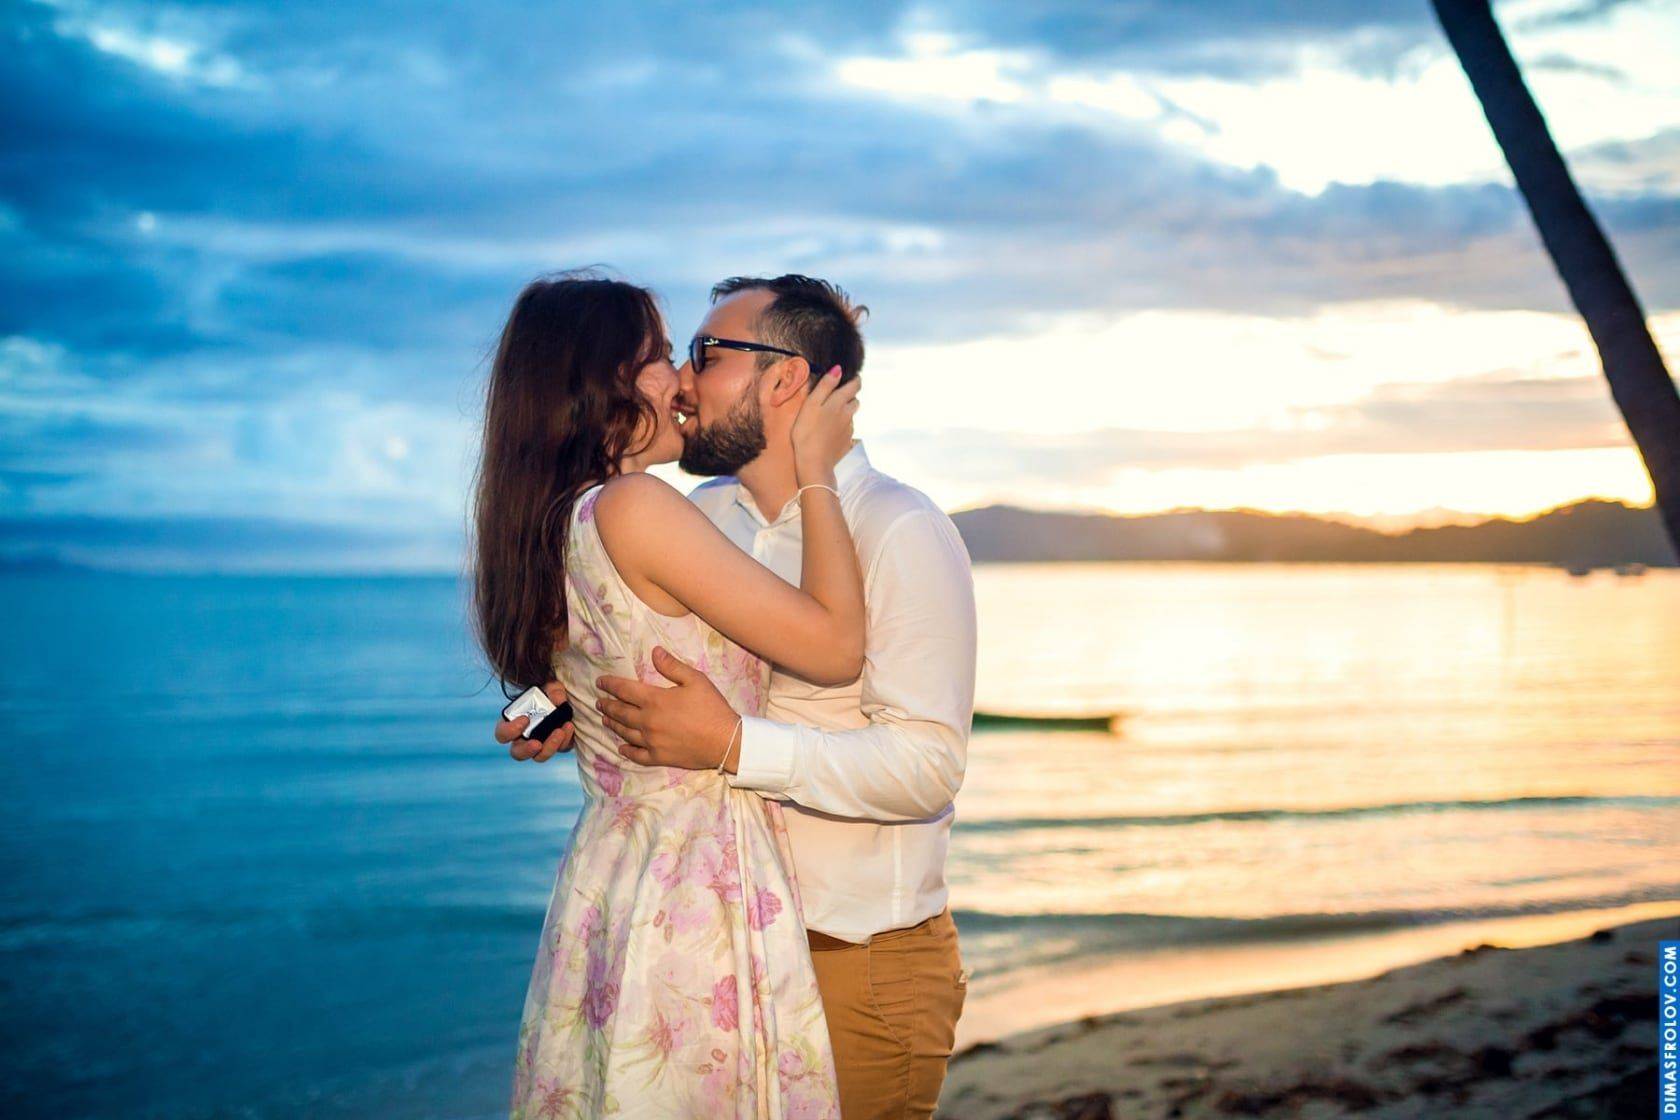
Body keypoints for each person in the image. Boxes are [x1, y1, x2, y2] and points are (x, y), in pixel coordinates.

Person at [498, 274, 979, 1119]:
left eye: (705, 354)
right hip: (716, 941)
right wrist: (564, 702)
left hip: (850, 954)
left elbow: (928, 767)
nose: (683, 381)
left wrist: (731, 744)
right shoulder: (703, 514)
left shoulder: (898, 529)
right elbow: (631, 635)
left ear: (785, 379)